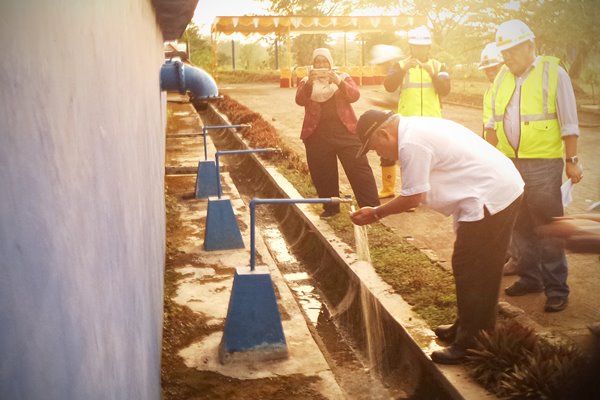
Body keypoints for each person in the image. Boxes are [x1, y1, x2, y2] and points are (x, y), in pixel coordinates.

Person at [350, 110, 524, 364]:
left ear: (383, 133)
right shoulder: (414, 128)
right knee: (469, 265)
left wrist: (375, 213)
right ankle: (466, 326)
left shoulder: (411, 143)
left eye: (376, 147)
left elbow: (412, 198)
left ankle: (471, 344)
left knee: (477, 269)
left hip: (492, 194)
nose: (379, 154)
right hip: (490, 188)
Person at [485, 20, 583, 312]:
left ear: (530, 46)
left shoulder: (554, 73)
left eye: (512, 50)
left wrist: (572, 162)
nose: (507, 57)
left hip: (542, 164)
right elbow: (492, 123)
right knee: (520, 225)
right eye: (503, 51)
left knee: (548, 227)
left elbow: (569, 123)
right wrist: (492, 161)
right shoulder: (502, 77)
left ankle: (556, 288)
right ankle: (530, 278)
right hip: (509, 164)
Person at [295, 48, 380, 219]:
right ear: (313, 64)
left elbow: (354, 95)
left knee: (359, 169)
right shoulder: (306, 80)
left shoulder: (343, 77)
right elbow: (300, 100)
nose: (321, 65)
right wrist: (311, 82)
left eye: (324, 62)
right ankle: (331, 208)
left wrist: (339, 82)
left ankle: (372, 208)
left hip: (346, 131)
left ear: (330, 63)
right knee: (323, 173)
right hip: (317, 134)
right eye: (317, 62)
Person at [378, 26, 451, 199]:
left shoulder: (439, 66)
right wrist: (403, 69)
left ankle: (431, 195)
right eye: (416, 46)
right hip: (408, 121)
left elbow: (445, 89)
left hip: (432, 121)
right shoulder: (399, 65)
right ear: (411, 47)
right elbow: (389, 86)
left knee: (433, 158)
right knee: (408, 158)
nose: (419, 50)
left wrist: (433, 74)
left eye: (423, 46)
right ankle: (407, 194)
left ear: (429, 48)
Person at [479, 42, 520, 276]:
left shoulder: (509, 87)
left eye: (494, 67)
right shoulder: (491, 89)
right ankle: (506, 251)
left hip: (507, 155)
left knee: (510, 208)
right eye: (487, 69)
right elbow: (488, 124)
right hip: (497, 155)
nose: (490, 73)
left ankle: (515, 256)